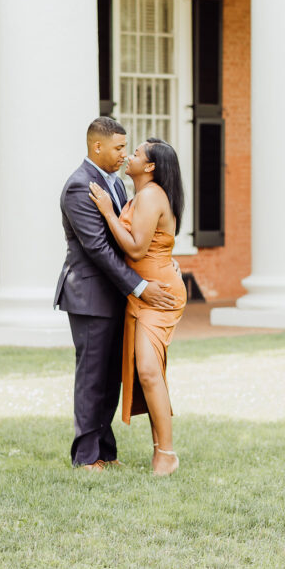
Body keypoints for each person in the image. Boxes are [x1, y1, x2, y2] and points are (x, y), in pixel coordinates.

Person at [54, 118, 176, 472]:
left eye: (127, 148)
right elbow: (98, 249)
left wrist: (165, 266)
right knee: (92, 376)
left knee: (110, 378)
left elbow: (138, 238)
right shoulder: (79, 187)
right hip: (90, 294)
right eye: (119, 148)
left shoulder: (119, 185)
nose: (125, 154)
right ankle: (86, 456)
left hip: (118, 295)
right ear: (98, 147)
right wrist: (140, 286)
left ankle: (106, 451)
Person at [89, 137, 186, 476]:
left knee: (147, 370)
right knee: (150, 373)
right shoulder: (142, 196)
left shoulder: (150, 195)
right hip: (144, 293)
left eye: (136, 153)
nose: (129, 156)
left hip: (158, 297)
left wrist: (106, 212)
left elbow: (134, 249)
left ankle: (167, 453)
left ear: (150, 167)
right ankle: (162, 451)